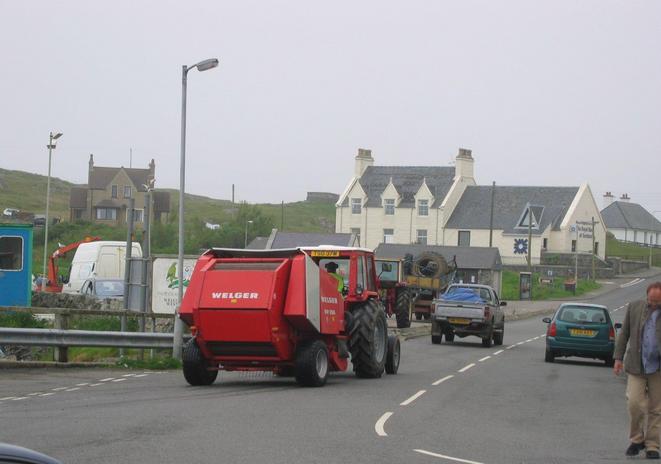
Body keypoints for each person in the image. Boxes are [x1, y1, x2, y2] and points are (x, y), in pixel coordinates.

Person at [614, 281, 661, 459]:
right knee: (634, 404)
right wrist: (618, 358)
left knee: (656, 409)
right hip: (636, 365)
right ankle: (637, 439)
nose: (654, 304)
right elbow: (624, 333)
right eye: (652, 300)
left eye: (658, 302)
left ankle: (653, 446)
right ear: (647, 295)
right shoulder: (634, 307)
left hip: (657, 368)